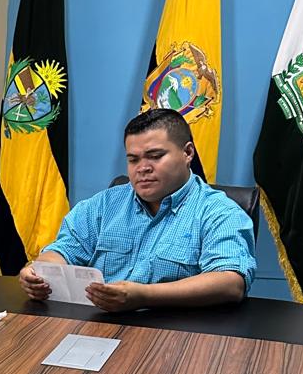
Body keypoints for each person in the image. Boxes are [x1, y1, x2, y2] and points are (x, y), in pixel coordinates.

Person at [19, 108, 256, 311]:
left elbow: (230, 282)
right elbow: (63, 250)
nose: (142, 168)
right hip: (100, 326)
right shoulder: (105, 204)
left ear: (187, 153)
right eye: (133, 159)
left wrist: (144, 296)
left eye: (155, 156)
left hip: (176, 334)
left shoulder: (219, 211)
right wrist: (41, 273)